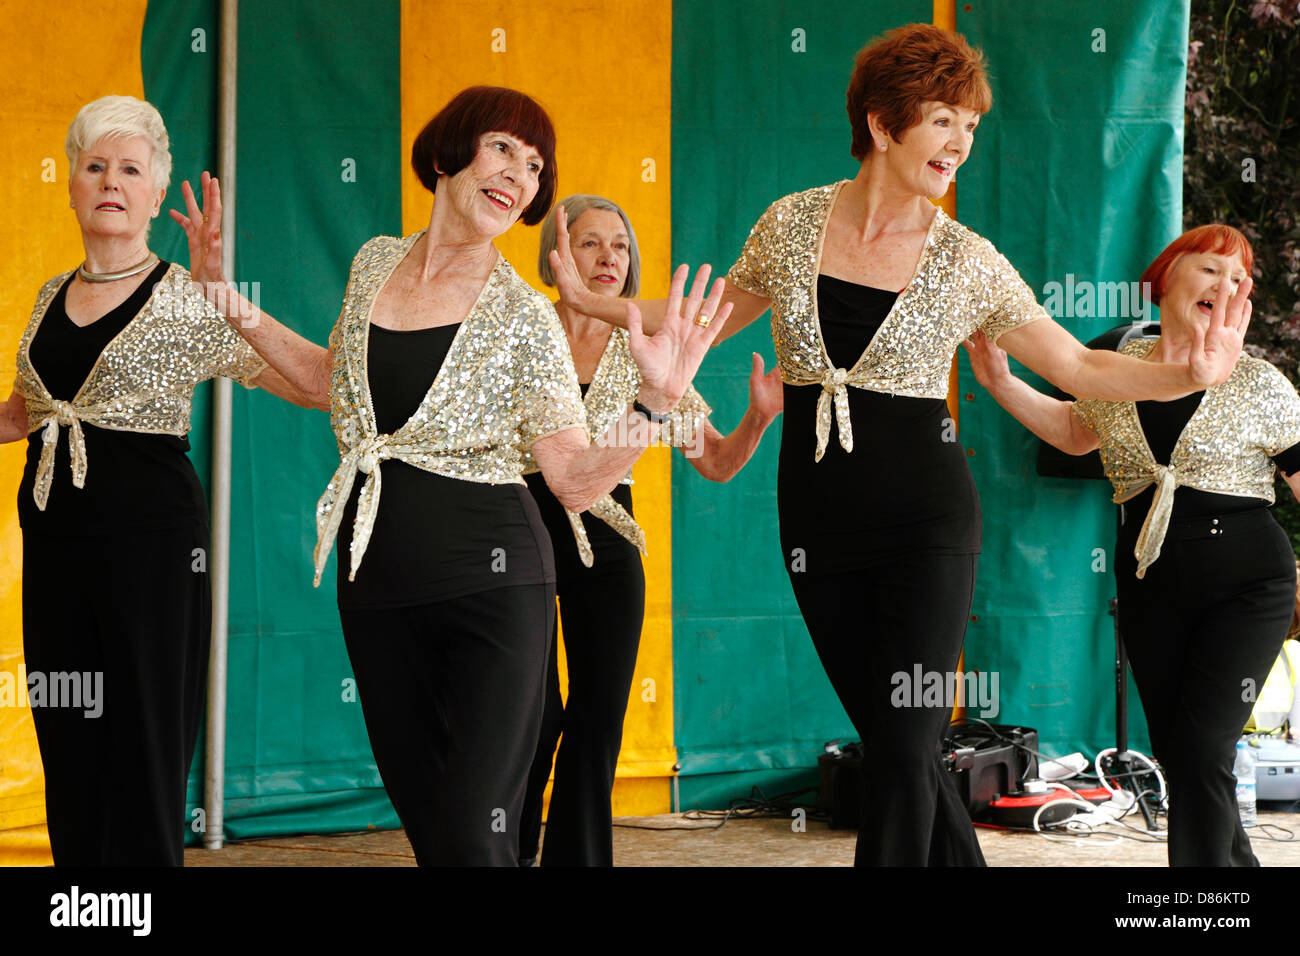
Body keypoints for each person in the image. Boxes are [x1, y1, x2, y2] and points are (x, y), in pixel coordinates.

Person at [547, 24, 1252, 866]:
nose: (960, 143)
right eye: (944, 120)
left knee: (910, 747)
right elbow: (697, 319)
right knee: (898, 747)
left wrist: (1184, 377)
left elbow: (1076, 366)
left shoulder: (968, 262)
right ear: (884, 125)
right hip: (815, 521)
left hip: (927, 525)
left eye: (971, 127)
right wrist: (585, 304)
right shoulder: (793, 222)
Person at [172, 86, 730, 866]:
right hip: (376, 588)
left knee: (477, 836)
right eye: (504, 148)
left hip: (494, 593)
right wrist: (223, 299)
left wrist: (654, 401)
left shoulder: (523, 316)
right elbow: (326, 381)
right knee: (435, 834)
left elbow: (571, 481)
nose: (520, 174)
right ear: (447, 152)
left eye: (535, 165)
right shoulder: (374, 262)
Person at [0, 95, 306, 866]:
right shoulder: (47, 296)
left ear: (155, 192)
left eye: (130, 169)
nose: (110, 180)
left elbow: (315, 383)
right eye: (95, 165)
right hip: (57, 549)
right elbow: (22, 414)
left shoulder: (185, 297)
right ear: (70, 183)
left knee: (140, 739)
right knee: (69, 733)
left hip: (151, 551)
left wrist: (223, 298)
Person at [965, 224, 1300, 865]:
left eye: (1238, 279)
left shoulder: (1261, 383)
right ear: (1166, 276)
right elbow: (1072, 431)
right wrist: (1004, 384)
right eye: (1210, 269)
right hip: (1150, 578)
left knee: (1203, 750)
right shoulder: (1117, 365)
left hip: (1248, 583)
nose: (1225, 286)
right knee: (1183, 754)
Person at [517, 194, 783, 866]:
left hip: (610, 542)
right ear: (557, 256)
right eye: (590, 243)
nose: (610, 257)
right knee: (531, 714)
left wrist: (758, 418)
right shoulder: (521, 335)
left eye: (621, 246)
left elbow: (717, 461)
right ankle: (505, 851)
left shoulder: (647, 351)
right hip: (520, 534)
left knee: (597, 717)